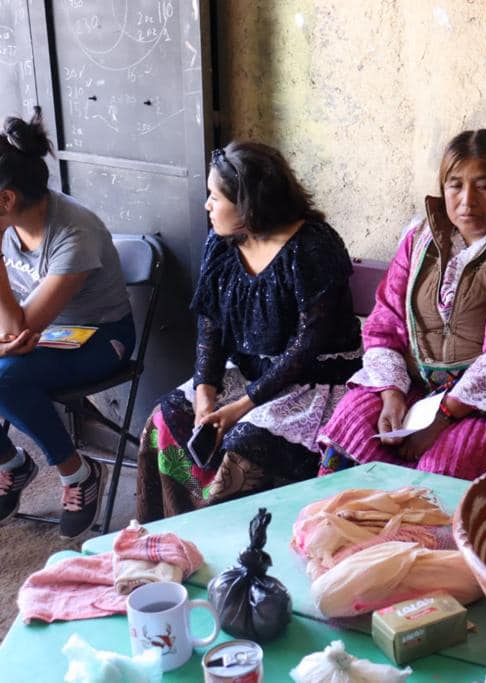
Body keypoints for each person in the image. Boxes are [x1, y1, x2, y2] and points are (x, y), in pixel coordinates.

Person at [316, 129, 486, 480]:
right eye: (455, 185)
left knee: (448, 463)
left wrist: (442, 417)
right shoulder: (420, 239)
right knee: (352, 423)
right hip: (419, 388)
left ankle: (426, 536)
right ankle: (354, 529)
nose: (467, 201)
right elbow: (386, 321)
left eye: (484, 185)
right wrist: (392, 395)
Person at [135, 142, 362, 521]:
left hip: (314, 382)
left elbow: (307, 347)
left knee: (242, 449)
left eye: (215, 197)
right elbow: (211, 324)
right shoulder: (222, 243)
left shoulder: (312, 247)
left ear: (249, 204)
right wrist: (206, 393)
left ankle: (239, 556)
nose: (207, 205)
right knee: (166, 417)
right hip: (249, 373)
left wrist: (242, 407)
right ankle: (171, 541)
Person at [0, 108, 134, 539]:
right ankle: (12, 465)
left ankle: (78, 474)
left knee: (5, 379)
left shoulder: (75, 234)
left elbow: (19, 327)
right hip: (34, 334)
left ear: (6, 199)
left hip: (100, 336)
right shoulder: (9, 223)